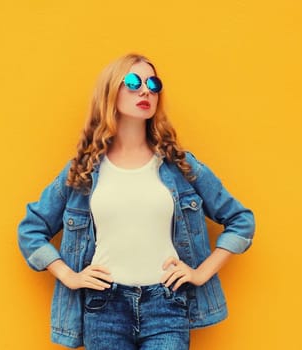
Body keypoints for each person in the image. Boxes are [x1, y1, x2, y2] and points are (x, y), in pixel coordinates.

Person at [17, 53, 255, 349]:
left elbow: (241, 221)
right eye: (133, 82)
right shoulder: (84, 171)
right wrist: (69, 276)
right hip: (104, 308)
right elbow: (30, 230)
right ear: (110, 91)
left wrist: (200, 273)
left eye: (153, 84)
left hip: (167, 306)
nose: (146, 91)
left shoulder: (178, 166)